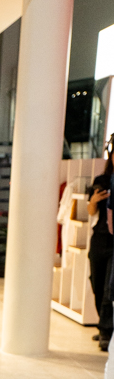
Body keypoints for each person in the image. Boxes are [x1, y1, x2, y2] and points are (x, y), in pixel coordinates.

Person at [88, 147, 113, 350]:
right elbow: (90, 211)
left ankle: (106, 330)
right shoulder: (101, 181)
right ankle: (104, 325)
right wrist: (94, 201)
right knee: (96, 283)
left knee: (108, 289)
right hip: (99, 238)